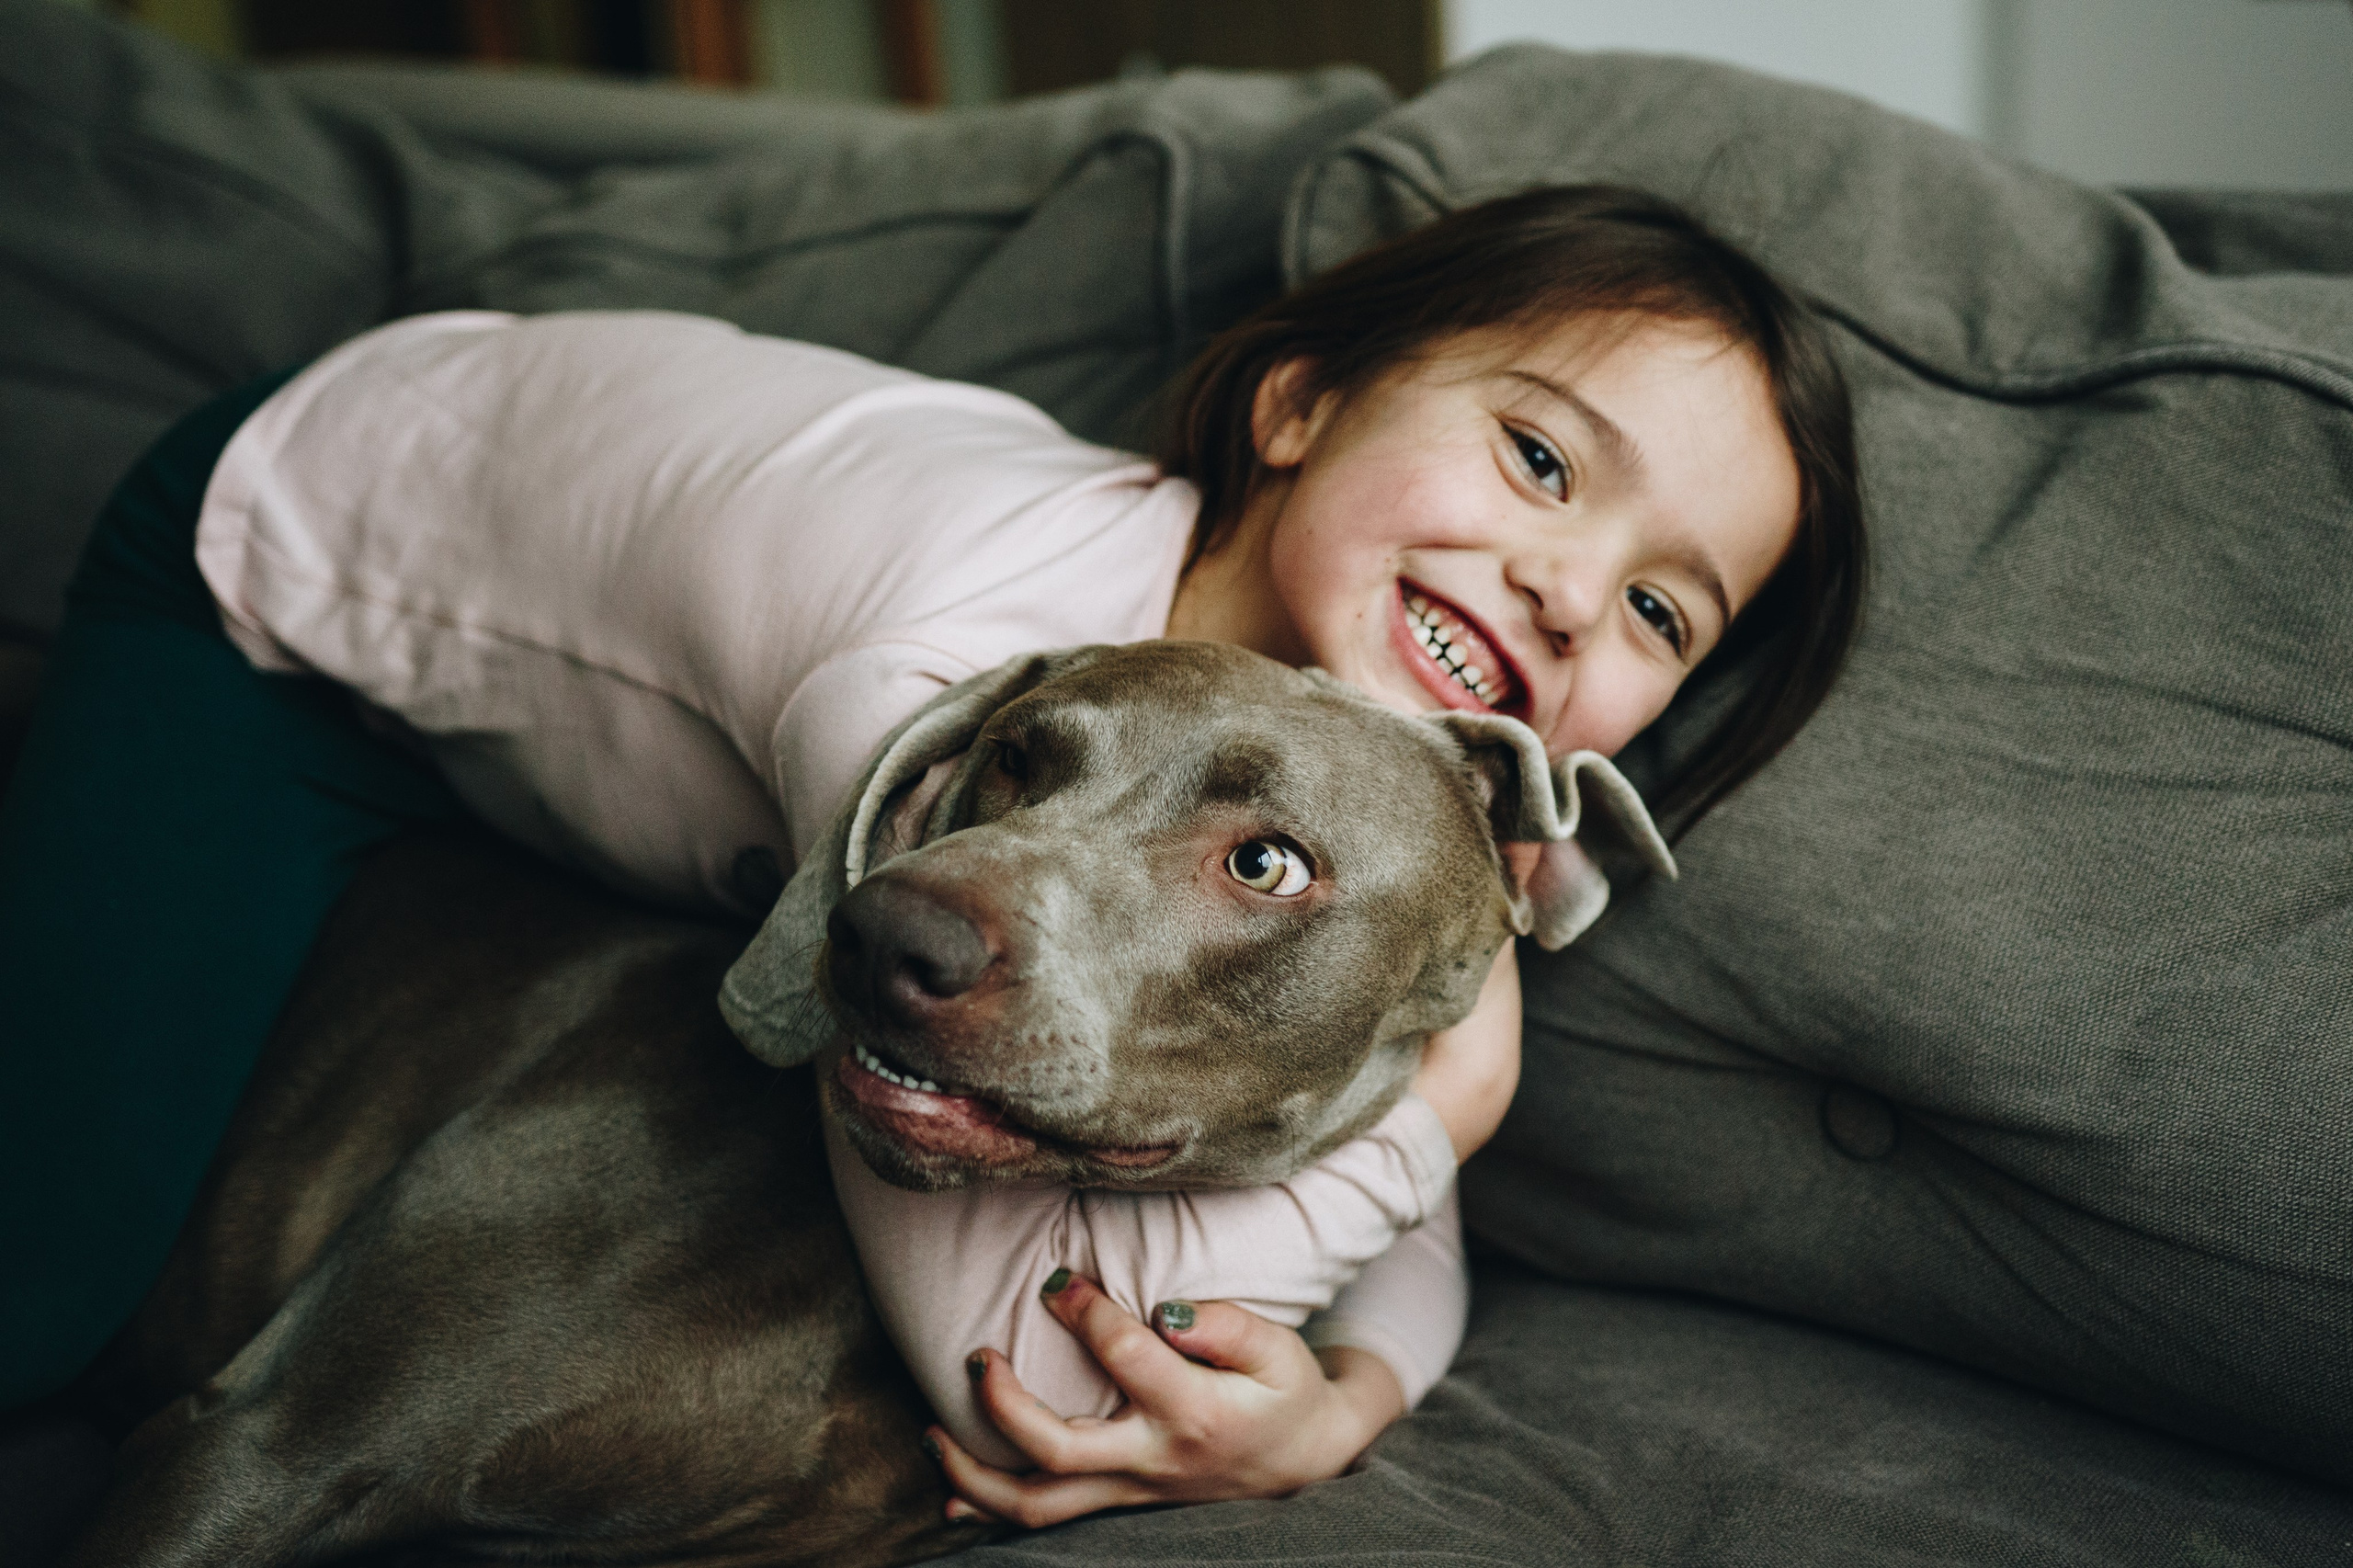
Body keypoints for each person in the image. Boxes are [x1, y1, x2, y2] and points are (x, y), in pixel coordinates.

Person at [0, 185, 1864, 1528]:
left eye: (1657, 607)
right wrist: (1456, 1081)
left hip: (581, 748)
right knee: (37, 1288)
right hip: (279, 586)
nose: (1566, 586)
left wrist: (1345, 1401)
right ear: (1297, 406)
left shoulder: (1306, 785)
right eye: (1542, 459)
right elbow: (1013, 1355)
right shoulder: (943, 645)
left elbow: (1327, 1095)